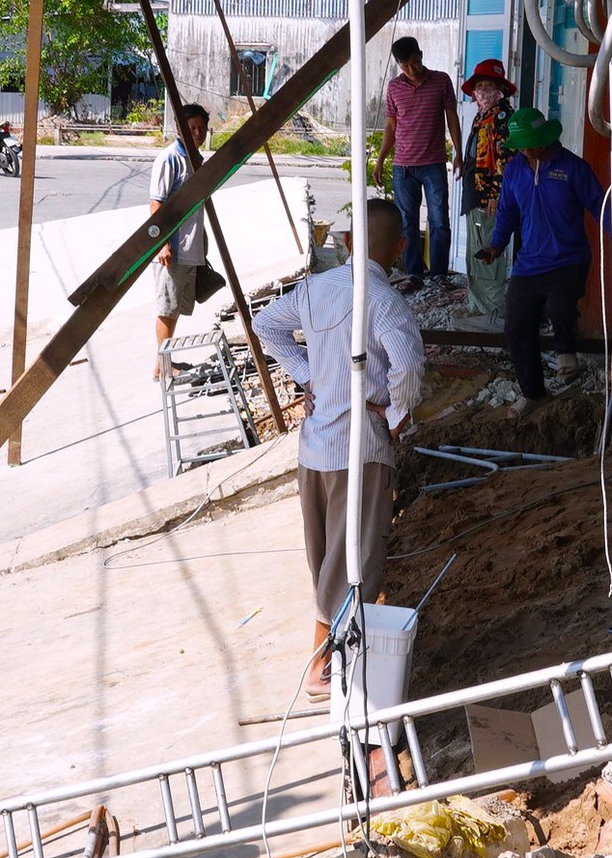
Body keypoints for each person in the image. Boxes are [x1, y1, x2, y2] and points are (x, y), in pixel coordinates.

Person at [254, 197, 425, 705]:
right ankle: (322, 663)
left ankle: (336, 651)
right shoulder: (384, 299)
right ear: (399, 247)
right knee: (357, 556)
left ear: (349, 244)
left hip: (314, 447)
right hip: (359, 447)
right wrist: (395, 417)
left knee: (325, 554)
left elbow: (266, 327)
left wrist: (308, 376)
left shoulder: (314, 288)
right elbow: (410, 368)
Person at [478, 109, 602, 410]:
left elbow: (601, 206)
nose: (524, 150)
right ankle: (533, 392)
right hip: (529, 263)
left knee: (559, 306)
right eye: (520, 144)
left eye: (529, 143)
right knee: (517, 326)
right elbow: (507, 212)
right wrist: (496, 245)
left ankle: (565, 352)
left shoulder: (574, 168)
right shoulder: (515, 170)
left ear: (545, 138)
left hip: (568, 258)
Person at [371, 36, 462, 289]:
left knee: (439, 220)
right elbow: (391, 125)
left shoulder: (441, 80)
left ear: (421, 55)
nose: (411, 70)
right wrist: (380, 161)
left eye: (414, 63)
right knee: (407, 223)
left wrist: (458, 152)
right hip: (403, 166)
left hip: (433, 164)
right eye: (404, 66)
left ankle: (439, 275)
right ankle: (414, 275)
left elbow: (452, 117)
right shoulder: (394, 88)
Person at [149, 102, 216, 377]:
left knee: (175, 307)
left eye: (201, 128)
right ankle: (163, 365)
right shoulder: (170, 159)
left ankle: (163, 363)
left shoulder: (195, 160)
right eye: (192, 128)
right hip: (173, 248)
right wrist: (162, 244)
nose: (197, 133)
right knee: (167, 307)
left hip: (189, 247)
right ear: (179, 129)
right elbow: (156, 204)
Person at [457, 58, 517, 318]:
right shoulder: (483, 116)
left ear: (499, 89)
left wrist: (496, 194)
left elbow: (505, 160)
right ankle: (477, 305)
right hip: (476, 195)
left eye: (488, 85)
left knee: (487, 253)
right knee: (475, 250)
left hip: (489, 198)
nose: (482, 91)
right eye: (479, 86)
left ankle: (490, 310)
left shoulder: (502, 118)